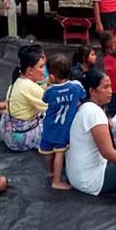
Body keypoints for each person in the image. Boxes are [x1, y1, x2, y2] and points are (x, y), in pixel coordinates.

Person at [39, 54, 86, 190]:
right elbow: (82, 96)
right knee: (59, 152)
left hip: (49, 125)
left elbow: (44, 100)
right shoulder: (76, 86)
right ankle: (57, 180)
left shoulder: (50, 91)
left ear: (52, 77)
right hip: (64, 127)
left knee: (48, 150)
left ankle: (51, 173)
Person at [0, 45, 48, 151]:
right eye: (40, 67)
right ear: (30, 70)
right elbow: (51, 107)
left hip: (8, 130)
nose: (44, 71)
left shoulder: (18, 81)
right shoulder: (30, 87)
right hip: (17, 138)